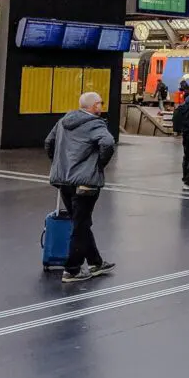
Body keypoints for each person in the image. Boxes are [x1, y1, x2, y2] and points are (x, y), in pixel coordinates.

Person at [45, 92, 116, 283]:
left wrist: (59, 164)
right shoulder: (95, 123)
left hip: (63, 181)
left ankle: (96, 262)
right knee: (80, 225)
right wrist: (99, 164)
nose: (102, 106)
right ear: (94, 106)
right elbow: (108, 143)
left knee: (81, 222)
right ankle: (72, 270)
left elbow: (49, 143)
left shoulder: (63, 121)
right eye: (100, 102)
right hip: (85, 182)